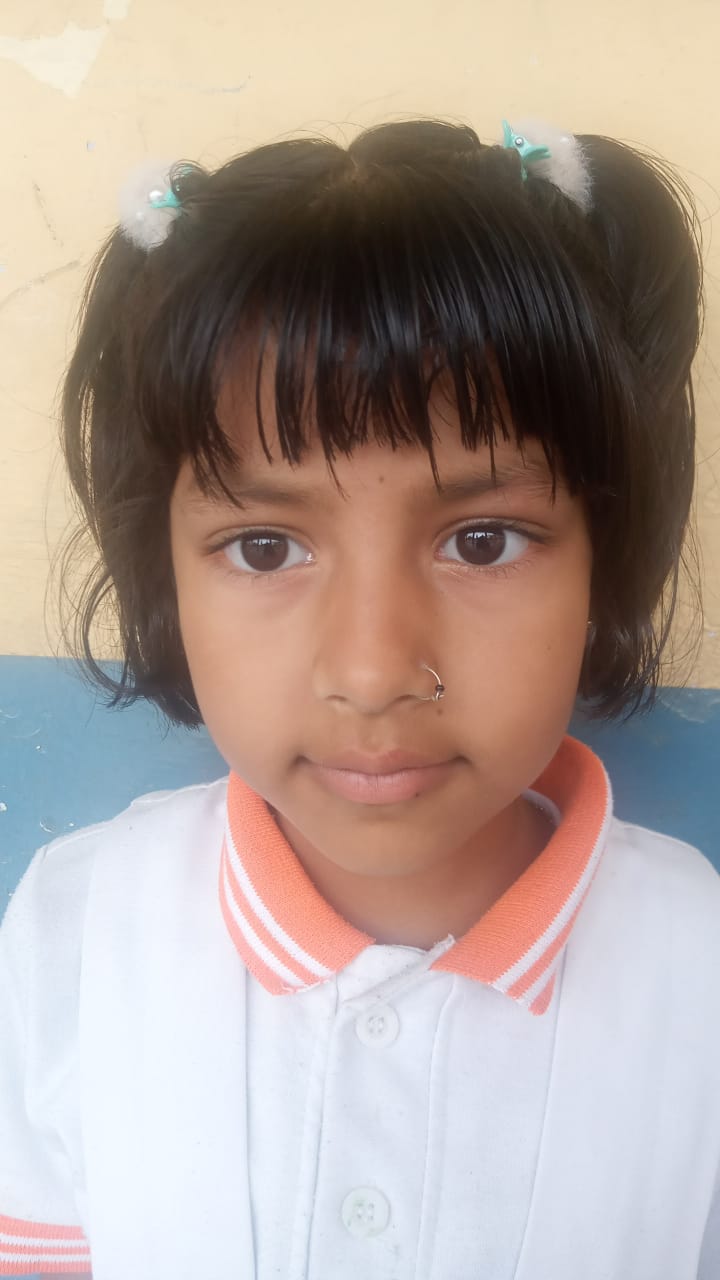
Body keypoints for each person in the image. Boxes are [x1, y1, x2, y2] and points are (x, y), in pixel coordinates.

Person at [0, 115, 718, 1280]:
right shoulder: (77, 929)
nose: (375, 672)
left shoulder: (700, 969)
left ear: (607, 557)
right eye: (265, 547)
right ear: (163, 572)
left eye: (482, 539)